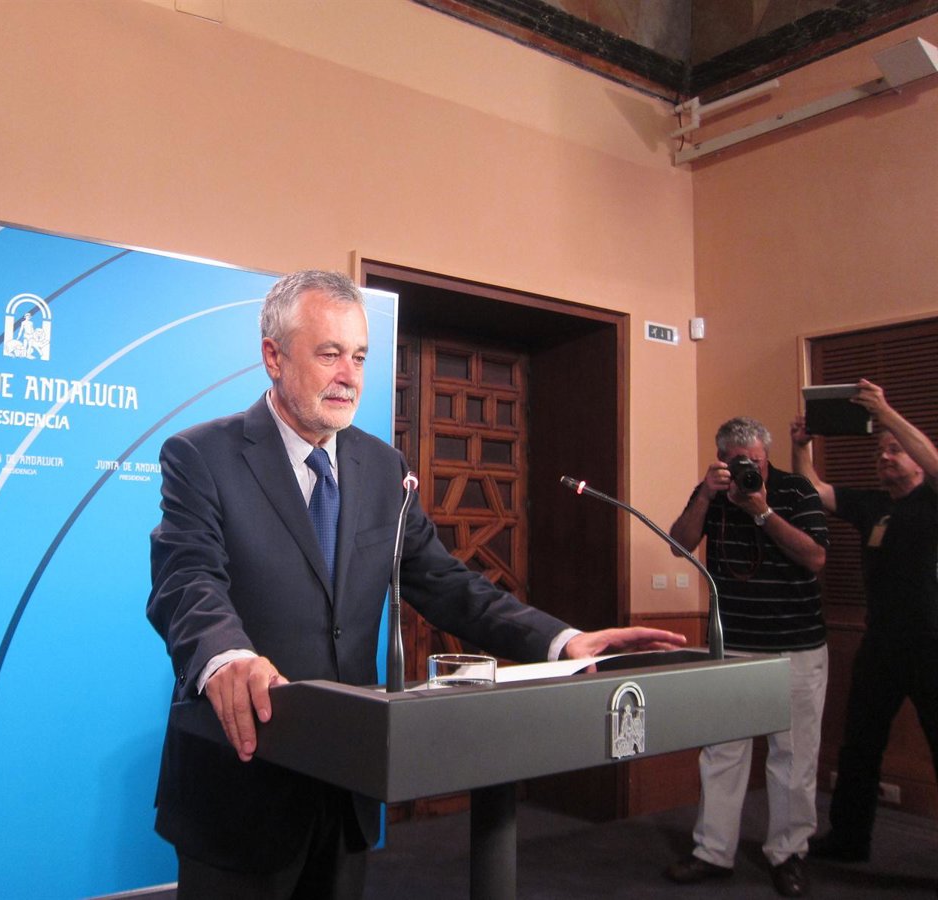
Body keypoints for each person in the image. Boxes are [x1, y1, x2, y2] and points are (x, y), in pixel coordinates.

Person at [147, 269, 687, 900]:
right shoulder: (203, 455)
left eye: (359, 357)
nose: (349, 376)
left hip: (344, 781)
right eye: (329, 354)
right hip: (241, 787)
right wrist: (226, 656)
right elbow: (187, 578)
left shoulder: (383, 467)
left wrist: (561, 641)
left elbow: (446, 583)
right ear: (273, 356)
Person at [664, 416, 829, 898]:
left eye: (755, 461)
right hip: (732, 644)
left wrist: (762, 512)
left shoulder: (796, 490)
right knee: (722, 752)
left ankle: (789, 854)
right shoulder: (712, 493)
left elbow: (815, 557)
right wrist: (704, 496)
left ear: (766, 457)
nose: (748, 470)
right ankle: (712, 852)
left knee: (794, 757)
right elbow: (679, 544)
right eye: (738, 462)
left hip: (797, 645)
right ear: (722, 459)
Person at [790, 378, 938, 863]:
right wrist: (801, 446)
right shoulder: (874, 505)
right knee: (859, 745)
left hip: (931, 646)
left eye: (896, 451)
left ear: (919, 462)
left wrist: (885, 412)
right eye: (881, 451)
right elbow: (813, 490)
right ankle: (850, 839)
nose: (886, 457)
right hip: (881, 645)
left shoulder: (932, 500)